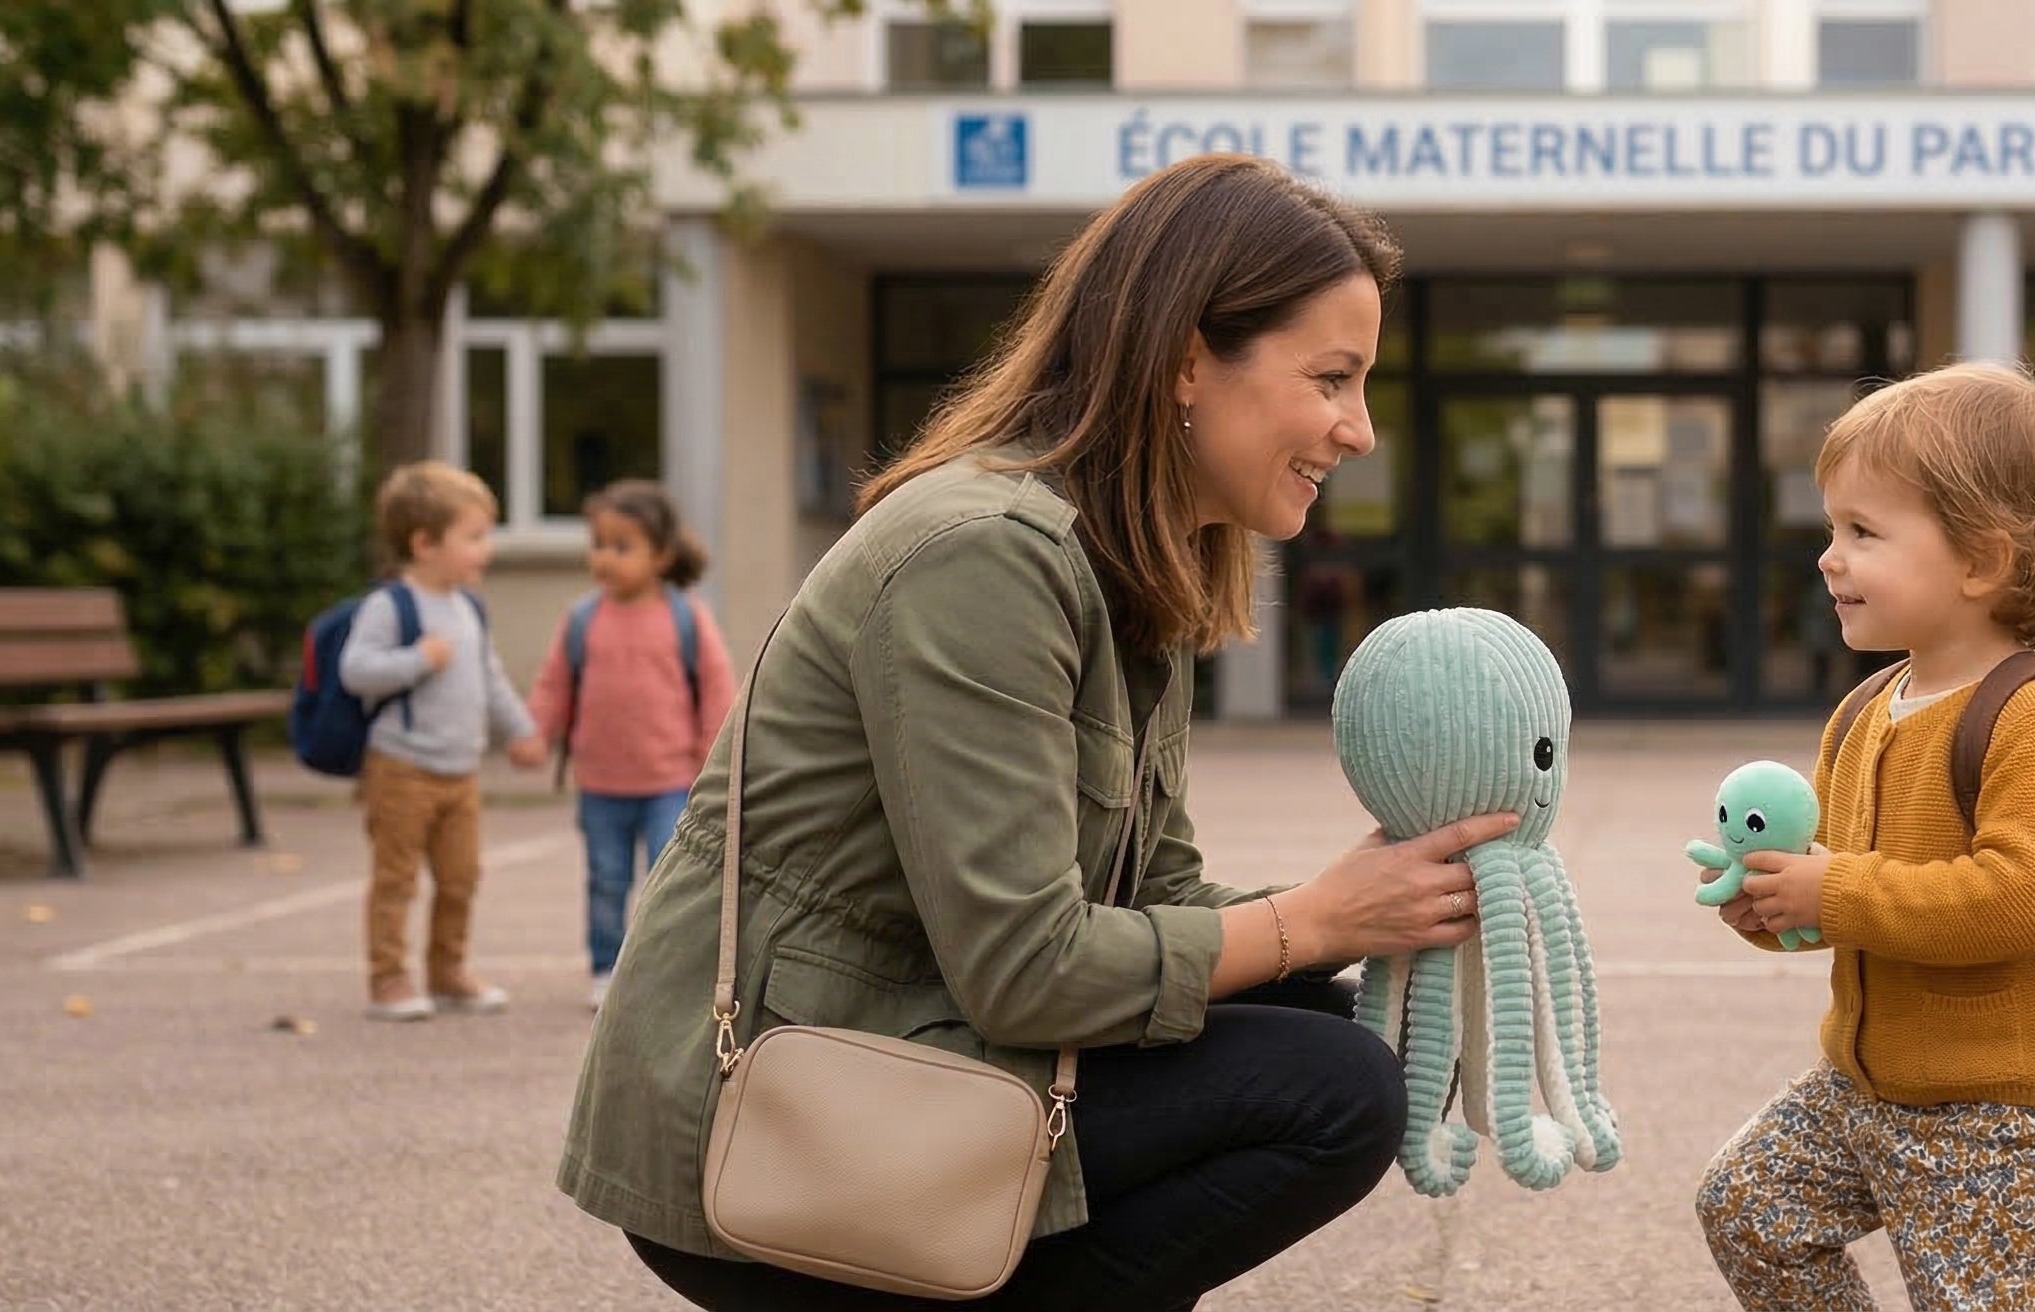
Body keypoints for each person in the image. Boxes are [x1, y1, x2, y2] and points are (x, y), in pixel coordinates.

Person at [555, 154, 1518, 1311]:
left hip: (922, 1042)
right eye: (1332, 378)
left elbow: (1154, 899)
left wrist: (1379, 914)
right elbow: (1029, 971)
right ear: (1186, 362)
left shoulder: (1122, 567)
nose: (1358, 430)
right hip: (781, 1117)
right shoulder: (987, 554)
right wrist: (1312, 917)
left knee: (1363, 1029)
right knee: (1333, 1085)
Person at [1692, 361, 2035, 1310]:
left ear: (1982, 561)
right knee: (1750, 1210)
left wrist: (1832, 890)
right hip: (1863, 1082)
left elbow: (2019, 898)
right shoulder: (1866, 710)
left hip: (1998, 1112)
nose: (1828, 557)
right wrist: (1772, 904)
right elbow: (1836, 885)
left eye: (1863, 531)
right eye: (1831, 529)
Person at [336, 460, 549, 1022]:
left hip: (461, 771)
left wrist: (521, 730)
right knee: (396, 879)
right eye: (473, 537)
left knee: (461, 878)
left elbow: (490, 677)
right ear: (424, 544)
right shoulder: (391, 606)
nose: (486, 550)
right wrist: (417, 660)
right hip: (401, 769)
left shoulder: (468, 608)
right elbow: (355, 670)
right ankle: (388, 978)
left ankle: (448, 970)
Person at [524, 479, 734, 1011]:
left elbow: (717, 689)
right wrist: (536, 733)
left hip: (670, 782)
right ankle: (605, 967)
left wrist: (715, 756)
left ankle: (663, 969)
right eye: (599, 544)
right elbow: (554, 683)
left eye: (622, 546)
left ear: (661, 555)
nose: (605, 558)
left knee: (668, 880)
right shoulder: (582, 619)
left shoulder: (686, 617)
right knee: (606, 880)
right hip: (601, 783)